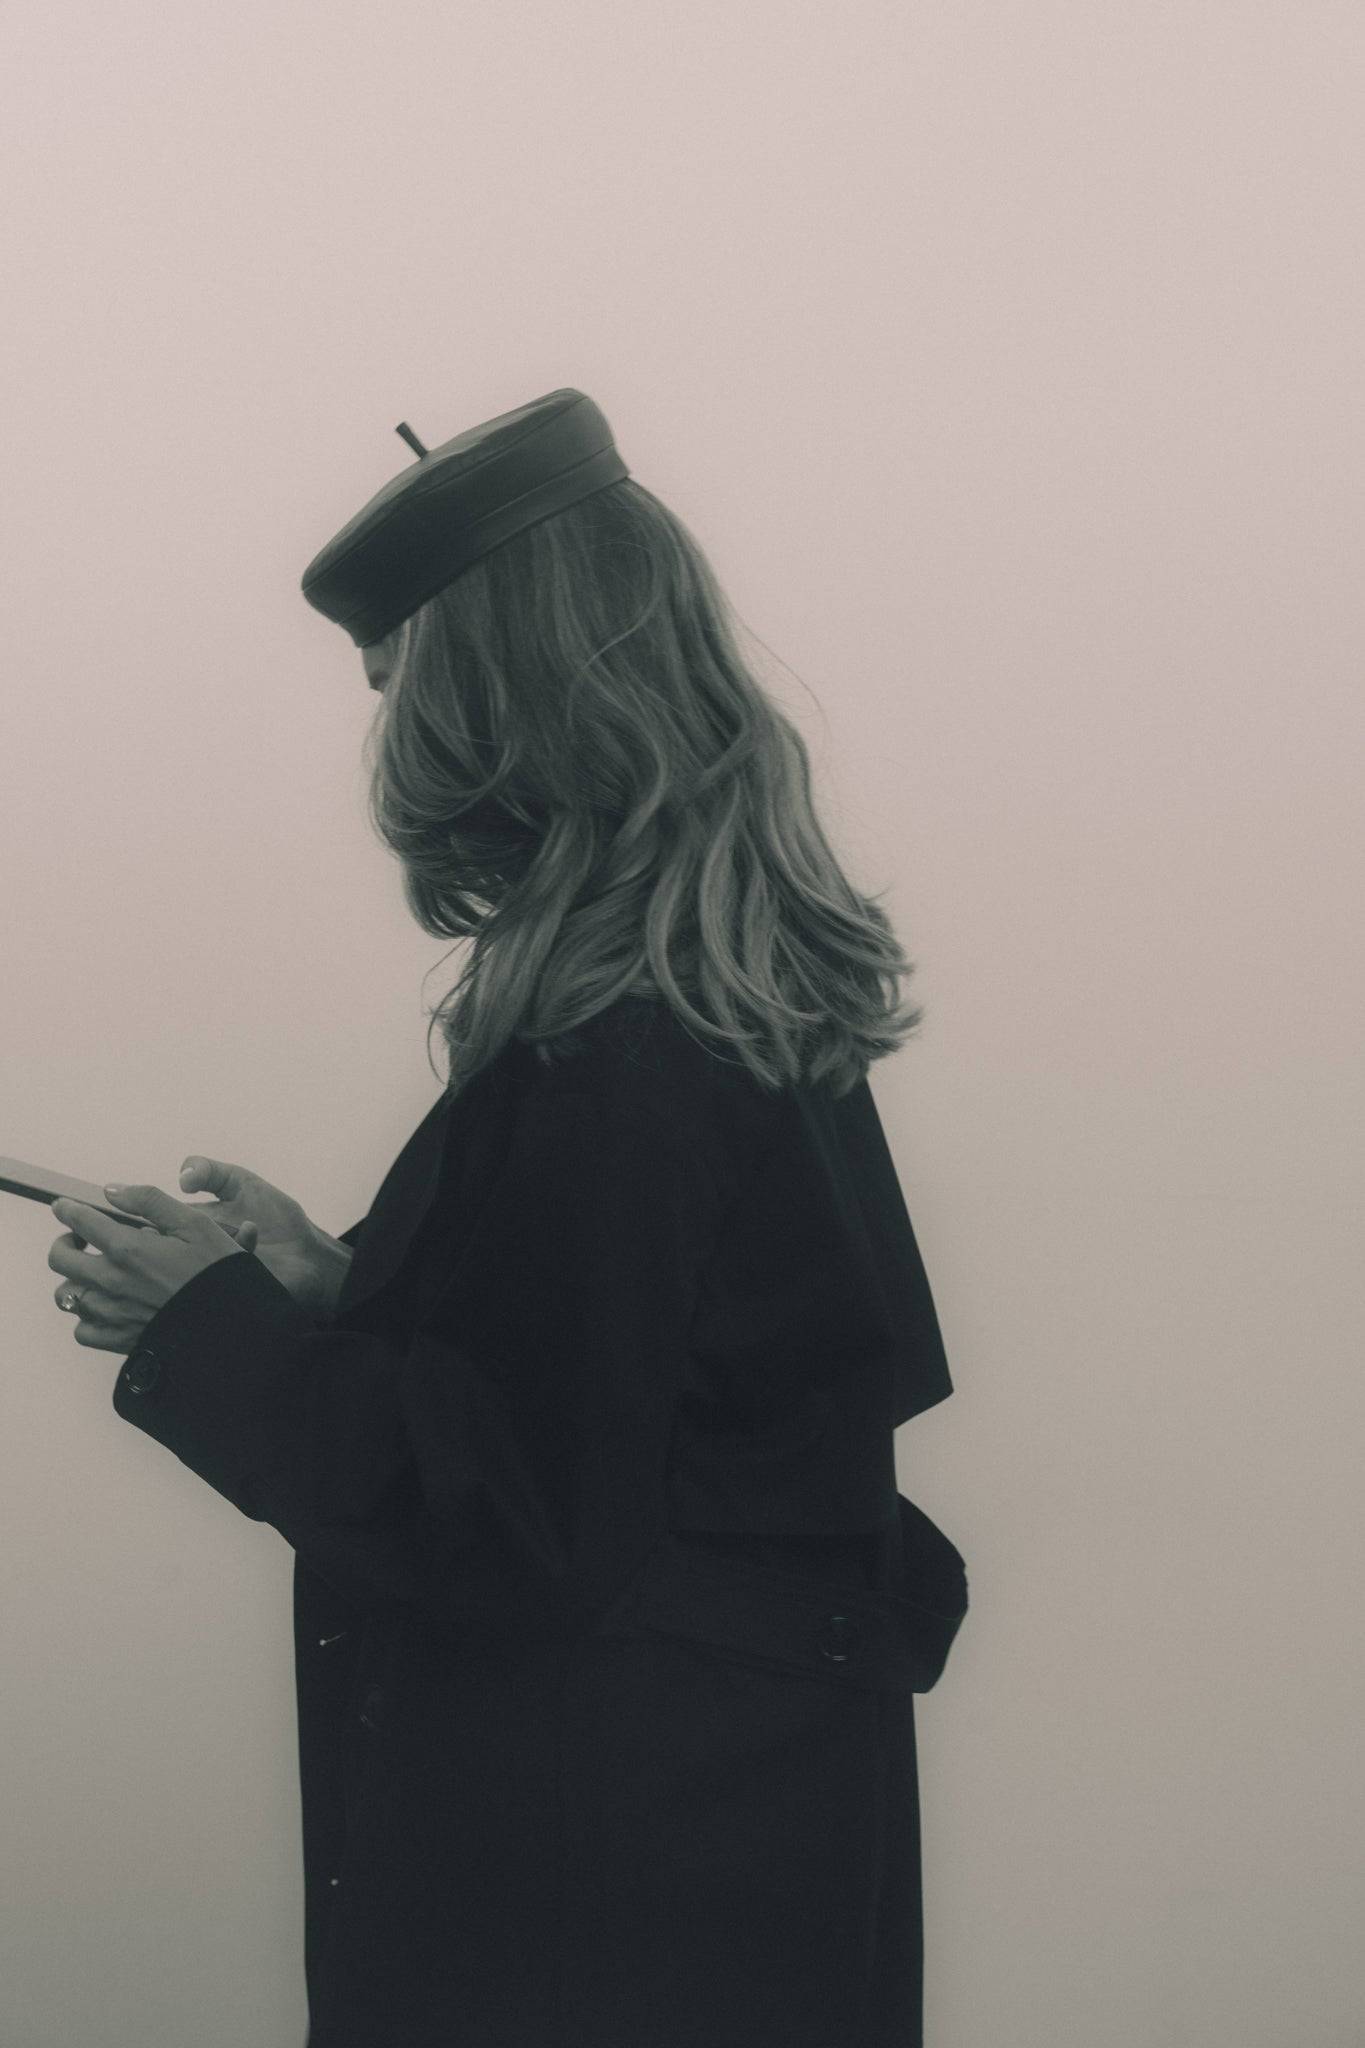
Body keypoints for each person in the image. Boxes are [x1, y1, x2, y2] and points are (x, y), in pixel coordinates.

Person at [47, 387, 968, 2047]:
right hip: (724, 1842)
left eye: (391, 679)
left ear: (488, 685)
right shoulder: (724, 1004)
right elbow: (653, 1402)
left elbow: (525, 1523)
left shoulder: (626, 1054)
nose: (384, 732)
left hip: (612, 1888)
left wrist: (212, 1331)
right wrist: (339, 1288)